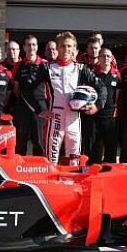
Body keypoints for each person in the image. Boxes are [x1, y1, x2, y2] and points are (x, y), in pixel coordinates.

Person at [35, 31, 106, 165]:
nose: (66, 49)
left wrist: (97, 105)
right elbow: (29, 89)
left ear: (74, 49)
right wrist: (39, 109)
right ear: (57, 47)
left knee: (74, 159)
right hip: (54, 117)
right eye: (63, 46)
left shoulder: (80, 69)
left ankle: (73, 184)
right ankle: (51, 185)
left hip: (74, 118)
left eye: (70, 46)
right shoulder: (46, 68)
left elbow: (101, 87)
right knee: (51, 159)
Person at [13, 35, 45, 155]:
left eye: (33, 44)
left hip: (39, 110)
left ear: (37, 47)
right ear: (24, 47)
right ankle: (19, 170)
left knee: (39, 142)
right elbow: (16, 88)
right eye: (28, 45)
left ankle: (40, 170)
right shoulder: (18, 65)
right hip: (22, 109)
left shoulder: (44, 64)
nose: (31, 47)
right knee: (21, 141)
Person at [91, 48, 120, 163]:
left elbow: (118, 95)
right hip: (95, 116)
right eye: (103, 56)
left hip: (110, 117)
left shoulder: (117, 75)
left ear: (111, 58)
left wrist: (115, 109)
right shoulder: (93, 74)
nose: (106, 58)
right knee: (95, 148)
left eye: (108, 56)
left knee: (111, 148)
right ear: (99, 58)